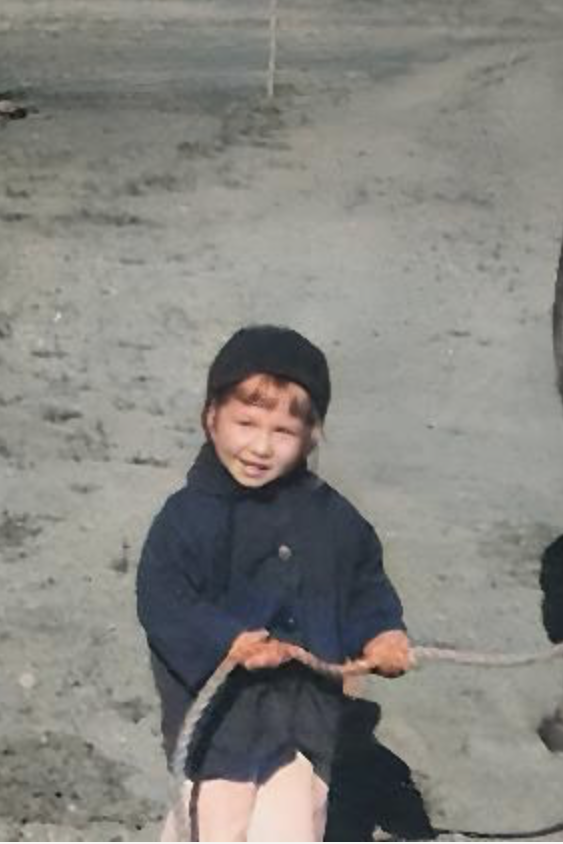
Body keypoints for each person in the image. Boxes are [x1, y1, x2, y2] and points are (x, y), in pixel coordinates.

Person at [136, 324, 413, 841]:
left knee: (293, 827)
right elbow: (165, 601)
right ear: (211, 418)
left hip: (305, 724)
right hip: (221, 730)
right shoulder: (187, 519)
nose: (260, 447)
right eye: (245, 423)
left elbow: (364, 586)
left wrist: (381, 632)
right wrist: (226, 640)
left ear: (312, 435)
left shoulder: (334, 521)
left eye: (283, 432)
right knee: (214, 826)